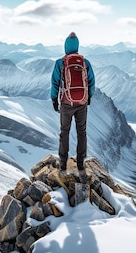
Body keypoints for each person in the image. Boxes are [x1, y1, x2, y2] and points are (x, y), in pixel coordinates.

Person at [50, 32, 95, 171]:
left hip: (66, 102)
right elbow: (92, 82)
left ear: (65, 47)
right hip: (81, 102)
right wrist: (88, 97)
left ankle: (63, 163)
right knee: (82, 132)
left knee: (65, 132)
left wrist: (54, 99)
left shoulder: (60, 63)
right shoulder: (85, 62)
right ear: (77, 46)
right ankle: (81, 163)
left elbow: (55, 83)